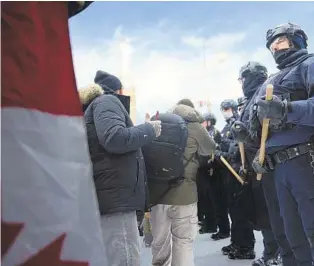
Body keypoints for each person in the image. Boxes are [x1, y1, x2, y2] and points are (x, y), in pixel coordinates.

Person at [251, 23, 314, 266]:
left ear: (296, 40)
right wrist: (260, 155)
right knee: (292, 237)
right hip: (280, 168)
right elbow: (265, 130)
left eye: (280, 41)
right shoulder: (270, 81)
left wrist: (287, 109)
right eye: (272, 45)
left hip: (308, 162)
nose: (275, 47)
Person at [79, 70, 162, 266]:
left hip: (109, 198)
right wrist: (149, 129)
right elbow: (114, 138)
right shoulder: (107, 101)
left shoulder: (92, 108)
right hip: (117, 201)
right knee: (124, 258)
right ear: (120, 90)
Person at [147, 99, 216, 266]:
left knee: (160, 243)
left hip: (157, 195)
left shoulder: (157, 123)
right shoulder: (195, 126)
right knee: (183, 242)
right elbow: (210, 148)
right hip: (185, 195)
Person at [232, 62, 284, 266]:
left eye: (243, 79)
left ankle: (277, 253)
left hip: (269, 165)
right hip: (256, 167)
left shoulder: (267, 92)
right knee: (263, 213)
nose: (242, 83)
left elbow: (271, 129)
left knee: (273, 212)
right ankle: (271, 251)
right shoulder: (249, 99)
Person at [217, 99, 256, 260]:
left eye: (227, 108)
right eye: (223, 109)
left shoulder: (238, 124)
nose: (225, 111)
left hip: (239, 172)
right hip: (230, 173)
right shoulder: (228, 126)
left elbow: (238, 148)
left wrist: (223, 149)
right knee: (233, 211)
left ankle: (246, 246)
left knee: (241, 212)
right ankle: (237, 242)